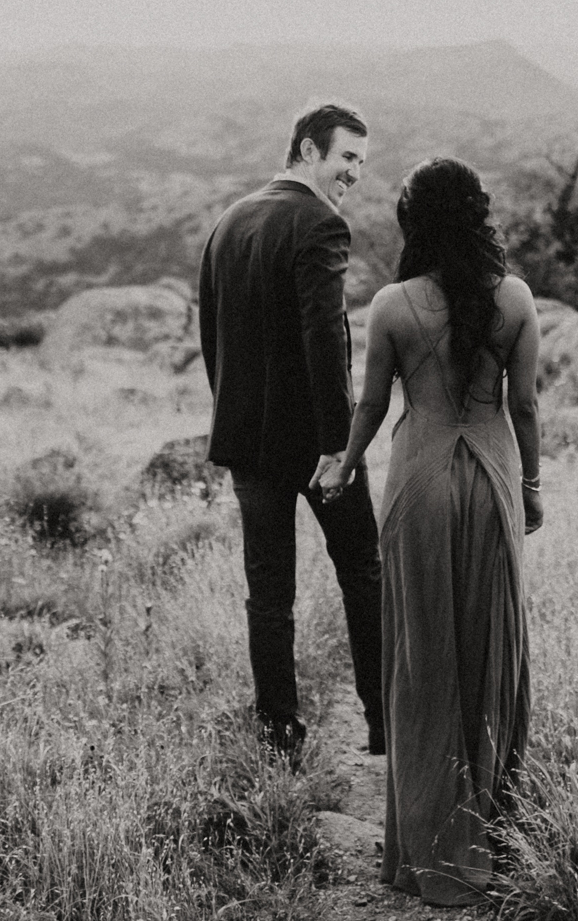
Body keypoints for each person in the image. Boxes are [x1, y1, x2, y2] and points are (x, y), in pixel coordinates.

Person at [314, 156, 542, 907]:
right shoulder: (514, 298)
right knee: (490, 651)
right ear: (479, 217)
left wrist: (345, 467)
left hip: (417, 483)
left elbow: (372, 403)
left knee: (424, 656)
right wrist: (531, 489)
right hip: (491, 480)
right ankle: (493, 835)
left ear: (414, 224)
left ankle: (425, 845)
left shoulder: (390, 303)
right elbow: (527, 409)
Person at [197, 102, 385, 762]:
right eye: (347, 157)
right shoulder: (319, 223)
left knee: (268, 594)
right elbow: (325, 340)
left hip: (246, 440)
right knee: (363, 569)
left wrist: (234, 413)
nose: (355, 173)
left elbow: (210, 336)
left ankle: (280, 739)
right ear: (308, 150)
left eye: (362, 160)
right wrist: (339, 444)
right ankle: (384, 721)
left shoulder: (231, 220)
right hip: (313, 443)